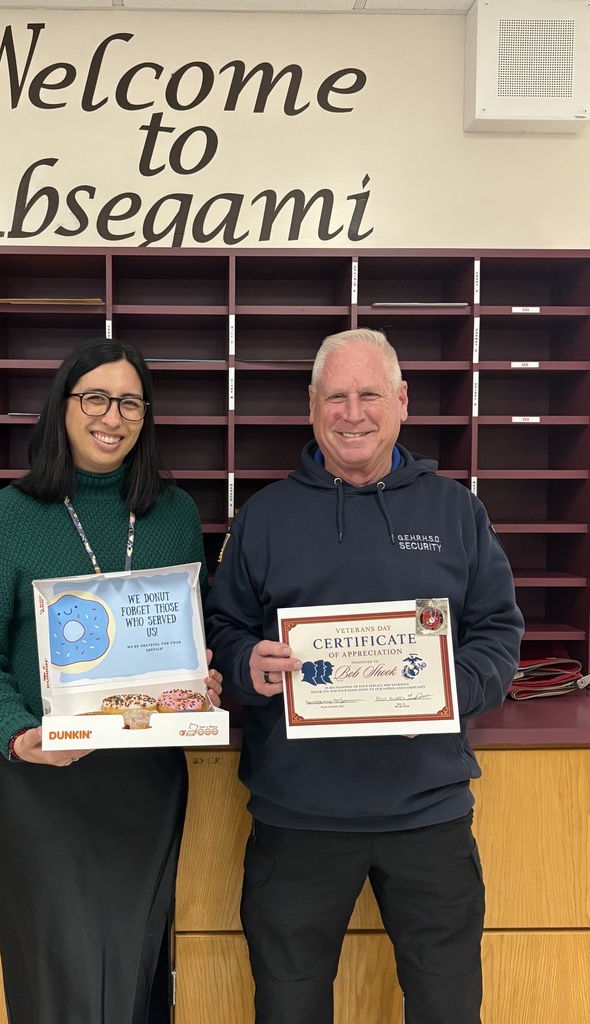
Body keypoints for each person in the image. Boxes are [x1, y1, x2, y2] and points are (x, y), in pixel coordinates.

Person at [204, 328, 524, 1024]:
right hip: (298, 817)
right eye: (337, 397)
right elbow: (222, 630)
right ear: (313, 405)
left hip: (428, 813)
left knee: (447, 1008)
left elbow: (499, 632)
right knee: (288, 1008)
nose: (354, 413)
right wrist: (243, 661)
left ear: (401, 402)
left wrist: (448, 688)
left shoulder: (456, 512)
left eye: (370, 394)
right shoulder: (263, 517)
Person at [0, 338, 222, 1024]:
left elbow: (189, 635)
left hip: (145, 782)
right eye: (94, 397)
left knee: (134, 975)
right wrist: (15, 734)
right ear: (63, 408)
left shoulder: (176, 515)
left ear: (145, 416)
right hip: (42, 781)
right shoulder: (4, 519)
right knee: (54, 981)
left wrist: (199, 683)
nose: (112, 415)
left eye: (129, 401)